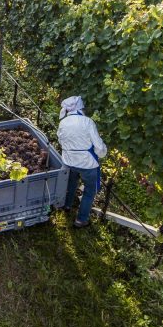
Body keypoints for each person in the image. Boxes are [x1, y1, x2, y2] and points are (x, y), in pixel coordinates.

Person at [57, 96, 107, 228]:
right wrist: (102, 153)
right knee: (89, 191)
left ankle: (67, 206)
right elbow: (99, 146)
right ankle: (81, 219)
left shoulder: (63, 122)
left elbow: (61, 141)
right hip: (86, 164)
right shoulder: (87, 122)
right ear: (80, 107)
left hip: (68, 161)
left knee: (71, 183)